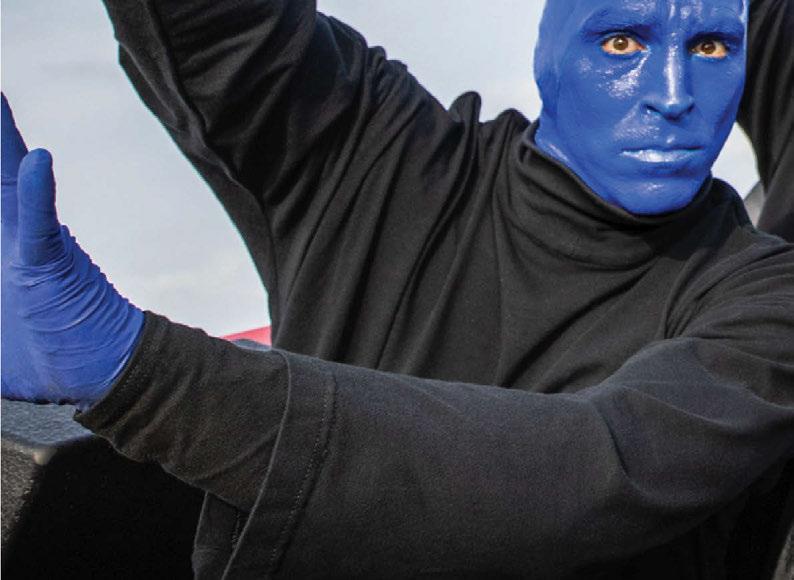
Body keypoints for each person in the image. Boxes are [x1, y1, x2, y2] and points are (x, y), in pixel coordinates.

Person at [2, 0, 793, 577]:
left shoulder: (767, 299)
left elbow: (598, 469)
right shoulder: (368, 153)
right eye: (622, 41)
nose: (673, 94)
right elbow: (220, 29)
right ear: (550, 50)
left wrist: (142, 373)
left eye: (713, 46)